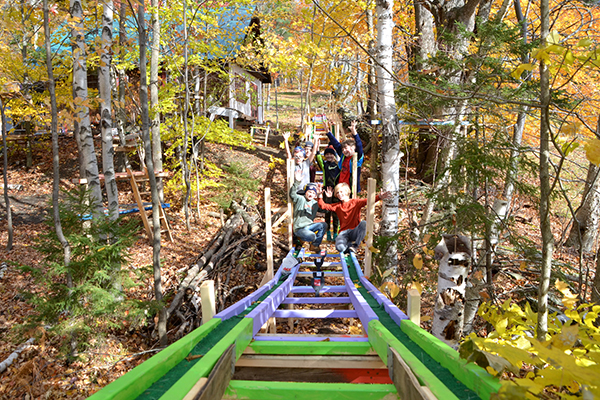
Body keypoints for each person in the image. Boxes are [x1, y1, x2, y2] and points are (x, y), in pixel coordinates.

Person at [318, 182, 391, 254]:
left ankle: (355, 245)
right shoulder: (337, 206)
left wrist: (379, 197)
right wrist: (319, 196)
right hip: (343, 233)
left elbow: (367, 201)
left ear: (347, 192)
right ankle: (348, 246)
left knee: (363, 223)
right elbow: (323, 206)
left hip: (354, 231)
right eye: (337, 193)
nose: (339, 194)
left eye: (341, 192)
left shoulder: (355, 202)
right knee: (340, 248)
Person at [290, 170, 328, 252]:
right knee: (312, 236)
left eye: (313, 193)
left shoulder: (315, 203)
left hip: (309, 227)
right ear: (305, 192)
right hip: (300, 228)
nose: (310, 194)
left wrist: (326, 198)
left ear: (315, 195)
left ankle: (314, 245)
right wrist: (297, 182)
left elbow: (326, 210)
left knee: (323, 225)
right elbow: (292, 194)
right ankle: (299, 238)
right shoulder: (300, 199)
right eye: (309, 192)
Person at [325, 119, 364, 194]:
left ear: (353, 148)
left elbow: (359, 145)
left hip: (351, 187)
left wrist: (354, 132)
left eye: (346, 148)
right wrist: (328, 132)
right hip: (340, 185)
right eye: (343, 149)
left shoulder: (357, 157)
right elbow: (335, 143)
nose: (344, 151)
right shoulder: (343, 156)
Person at [316, 145, 340, 241]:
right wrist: (317, 148)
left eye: (331, 154)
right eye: (327, 154)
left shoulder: (338, 165)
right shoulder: (325, 165)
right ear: (325, 155)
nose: (329, 156)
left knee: (336, 212)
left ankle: (335, 233)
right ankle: (328, 232)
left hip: (336, 191)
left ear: (334, 155)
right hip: (326, 190)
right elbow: (318, 159)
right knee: (327, 212)